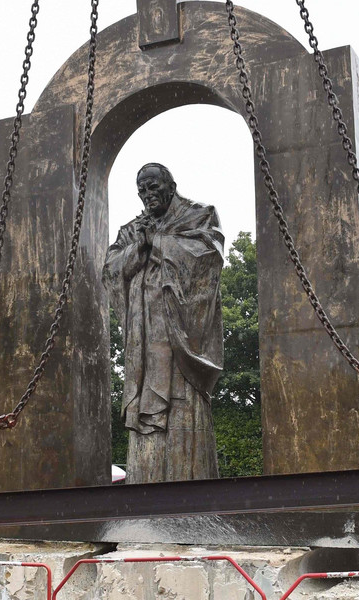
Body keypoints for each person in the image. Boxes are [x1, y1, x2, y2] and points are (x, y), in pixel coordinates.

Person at [102, 163, 225, 484]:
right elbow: (111, 268)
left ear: (171, 186)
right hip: (143, 339)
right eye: (142, 188)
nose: (147, 193)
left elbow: (207, 255)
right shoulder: (131, 230)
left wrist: (156, 243)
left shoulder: (198, 215)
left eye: (153, 186)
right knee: (146, 416)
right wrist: (137, 248)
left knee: (183, 404)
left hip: (180, 336)